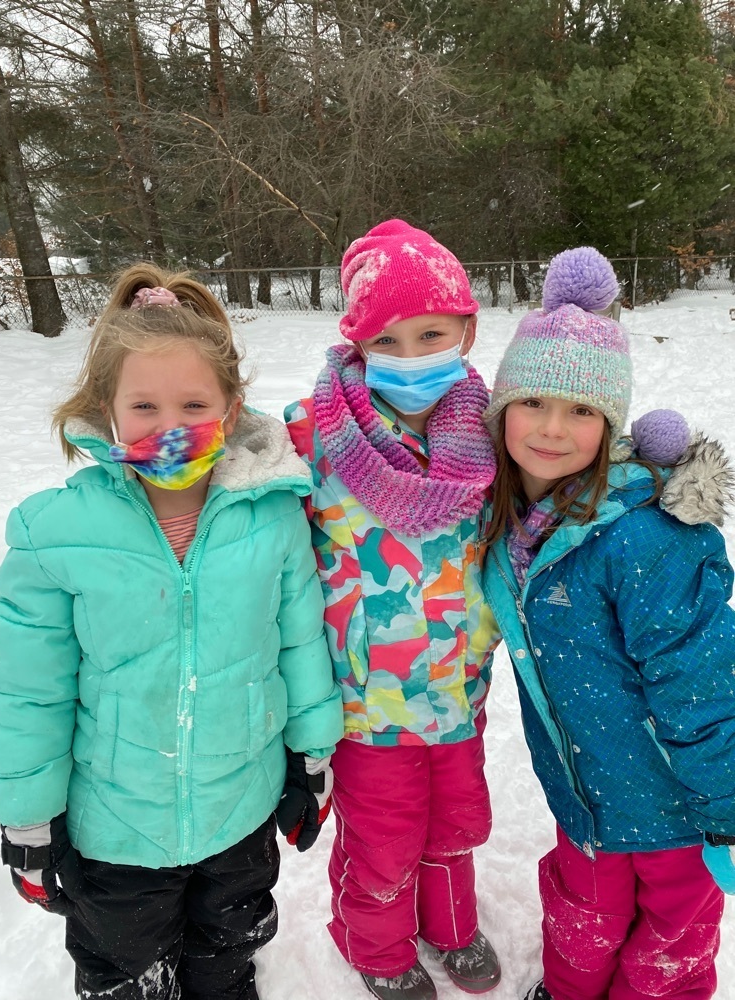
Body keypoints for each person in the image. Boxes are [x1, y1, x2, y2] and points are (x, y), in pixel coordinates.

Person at [0, 264, 344, 1000]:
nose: (170, 426)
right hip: (114, 829)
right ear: (109, 410)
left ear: (231, 409)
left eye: (194, 404)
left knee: (229, 947)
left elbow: (299, 642)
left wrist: (312, 753)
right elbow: (28, 691)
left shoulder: (273, 517)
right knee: (121, 965)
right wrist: (28, 817)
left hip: (239, 809)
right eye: (145, 405)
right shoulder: (56, 534)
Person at [481, 246, 735, 1000]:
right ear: (502, 409)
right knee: (582, 917)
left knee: (672, 941)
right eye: (534, 401)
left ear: (612, 422)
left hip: (676, 807)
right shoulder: (507, 524)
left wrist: (724, 800)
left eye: (582, 411)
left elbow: (701, 676)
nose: (552, 429)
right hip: (583, 793)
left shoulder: (645, 536)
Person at [285, 220, 502, 1000]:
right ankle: (375, 946)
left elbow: (562, 476)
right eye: (388, 339)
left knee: (457, 825)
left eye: (431, 334)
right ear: (358, 341)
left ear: (466, 330)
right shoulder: (312, 436)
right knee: (384, 839)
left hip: (458, 691)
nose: (411, 357)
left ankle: (452, 925)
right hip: (366, 704)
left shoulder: (494, 432)